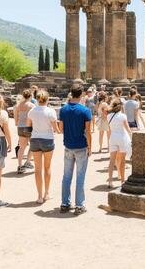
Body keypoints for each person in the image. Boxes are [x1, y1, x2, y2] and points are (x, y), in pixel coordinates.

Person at [58, 84, 92, 215]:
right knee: (80, 177)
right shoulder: (85, 111)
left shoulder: (63, 110)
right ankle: (79, 205)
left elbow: (60, 129)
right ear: (82, 94)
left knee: (66, 176)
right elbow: (88, 131)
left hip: (68, 146)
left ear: (71, 93)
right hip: (81, 146)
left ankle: (65, 204)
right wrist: (90, 147)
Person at [27, 91, 60, 204]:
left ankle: (39, 196)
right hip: (47, 140)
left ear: (36, 99)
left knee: (37, 169)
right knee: (47, 168)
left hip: (35, 139)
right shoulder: (51, 111)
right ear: (47, 99)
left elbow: (28, 126)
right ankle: (46, 193)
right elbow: (55, 129)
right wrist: (59, 130)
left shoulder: (32, 111)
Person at [107, 99, 132, 188]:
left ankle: (110, 181)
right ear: (121, 106)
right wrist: (132, 136)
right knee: (122, 160)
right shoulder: (123, 116)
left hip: (113, 137)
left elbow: (109, 129)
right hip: (122, 137)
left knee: (112, 160)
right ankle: (122, 180)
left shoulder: (109, 116)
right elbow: (128, 129)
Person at [14, 90, 35, 174]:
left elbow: (16, 119)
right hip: (29, 127)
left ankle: (20, 166)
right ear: (30, 96)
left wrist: (18, 123)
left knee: (22, 147)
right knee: (33, 145)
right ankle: (28, 161)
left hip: (20, 127)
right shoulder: (31, 105)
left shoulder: (17, 105)